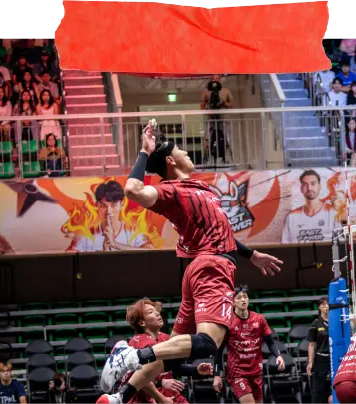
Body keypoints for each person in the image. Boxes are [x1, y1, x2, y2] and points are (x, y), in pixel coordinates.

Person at [97, 121, 283, 404]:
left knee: (171, 352)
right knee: (208, 342)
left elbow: (222, 233)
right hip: (212, 269)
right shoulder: (170, 191)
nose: (186, 152)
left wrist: (252, 255)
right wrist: (145, 152)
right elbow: (133, 190)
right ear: (171, 161)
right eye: (181, 149)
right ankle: (132, 356)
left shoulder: (202, 189)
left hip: (200, 269)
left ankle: (120, 397)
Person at [108, 298, 212, 404]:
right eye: (151, 312)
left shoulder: (165, 338)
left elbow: (173, 367)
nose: (157, 313)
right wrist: (162, 397)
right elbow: (143, 379)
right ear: (142, 322)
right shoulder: (139, 343)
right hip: (142, 397)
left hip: (167, 393)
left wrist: (195, 370)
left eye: (156, 310)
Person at [212, 286, 285, 404]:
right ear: (233, 302)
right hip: (237, 373)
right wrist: (217, 375)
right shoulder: (228, 322)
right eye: (239, 297)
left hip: (256, 372)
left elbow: (270, 342)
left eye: (245, 297)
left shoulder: (259, 319)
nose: (243, 300)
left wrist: (278, 356)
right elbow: (218, 350)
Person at [281, 170, 340, 244]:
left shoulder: (333, 213)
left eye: (313, 183)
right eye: (305, 184)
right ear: (301, 188)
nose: (309, 188)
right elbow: (285, 246)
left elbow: (341, 243)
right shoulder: (291, 217)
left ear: (319, 187)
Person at [307, 297, 331, 404]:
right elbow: (311, 344)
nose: (326, 306)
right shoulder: (316, 323)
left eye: (328, 304)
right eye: (323, 304)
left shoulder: (335, 321)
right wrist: (310, 362)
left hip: (334, 357)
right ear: (319, 307)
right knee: (318, 388)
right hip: (321, 358)